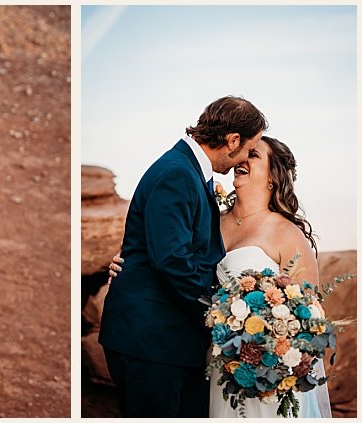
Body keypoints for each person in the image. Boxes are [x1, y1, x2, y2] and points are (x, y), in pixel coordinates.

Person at [109, 136, 331, 417]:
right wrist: (125, 263)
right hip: (211, 360)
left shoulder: (287, 233)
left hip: (262, 367)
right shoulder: (210, 218)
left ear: (273, 178)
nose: (242, 158)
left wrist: (273, 349)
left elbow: (310, 312)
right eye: (244, 151)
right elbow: (165, 250)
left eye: (254, 155)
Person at [99, 95, 265, 417]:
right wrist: (220, 312)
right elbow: (171, 260)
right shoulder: (178, 173)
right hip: (151, 341)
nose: (243, 159)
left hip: (169, 342)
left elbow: (165, 248)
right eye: (248, 148)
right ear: (232, 140)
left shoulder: (187, 171)